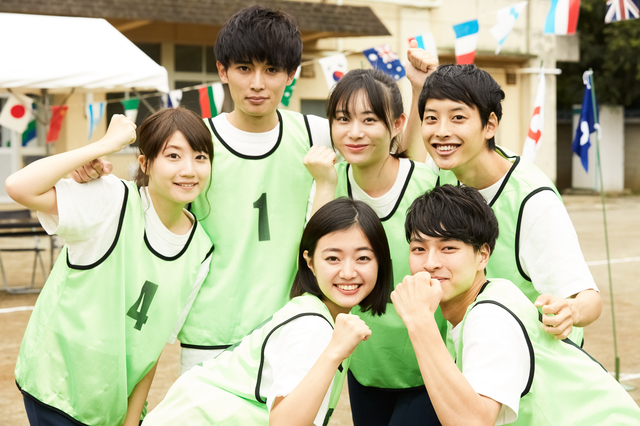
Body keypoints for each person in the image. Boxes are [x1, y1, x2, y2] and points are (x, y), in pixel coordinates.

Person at [5, 109, 215, 426]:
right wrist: (104, 144)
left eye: (200, 157)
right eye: (173, 155)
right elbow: (19, 186)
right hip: (59, 389)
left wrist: (131, 419)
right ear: (145, 163)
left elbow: (153, 345)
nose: (189, 170)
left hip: (114, 405)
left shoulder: (201, 247)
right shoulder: (111, 199)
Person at [392, 184, 640, 425]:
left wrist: (420, 321)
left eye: (448, 248)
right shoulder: (481, 301)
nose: (430, 263)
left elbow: (471, 422)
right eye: (419, 248)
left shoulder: (489, 318)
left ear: (483, 255)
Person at [142, 198, 391, 425]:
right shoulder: (313, 327)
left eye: (362, 258)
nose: (348, 272)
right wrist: (334, 352)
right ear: (310, 262)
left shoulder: (319, 314)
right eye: (333, 258)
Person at [406, 62, 601, 344]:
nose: (442, 131)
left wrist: (571, 311)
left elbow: (589, 299)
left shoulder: (533, 201)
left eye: (458, 118)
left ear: (490, 125)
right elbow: (402, 162)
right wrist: (417, 86)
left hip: (534, 358)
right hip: (479, 351)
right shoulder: (444, 167)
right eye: (431, 118)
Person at [304, 68, 444, 425]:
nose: (354, 132)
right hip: (365, 366)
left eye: (369, 119)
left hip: (431, 365)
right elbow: (316, 269)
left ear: (397, 124)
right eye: (343, 119)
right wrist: (324, 185)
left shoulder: (429, 183)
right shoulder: (327, 183)